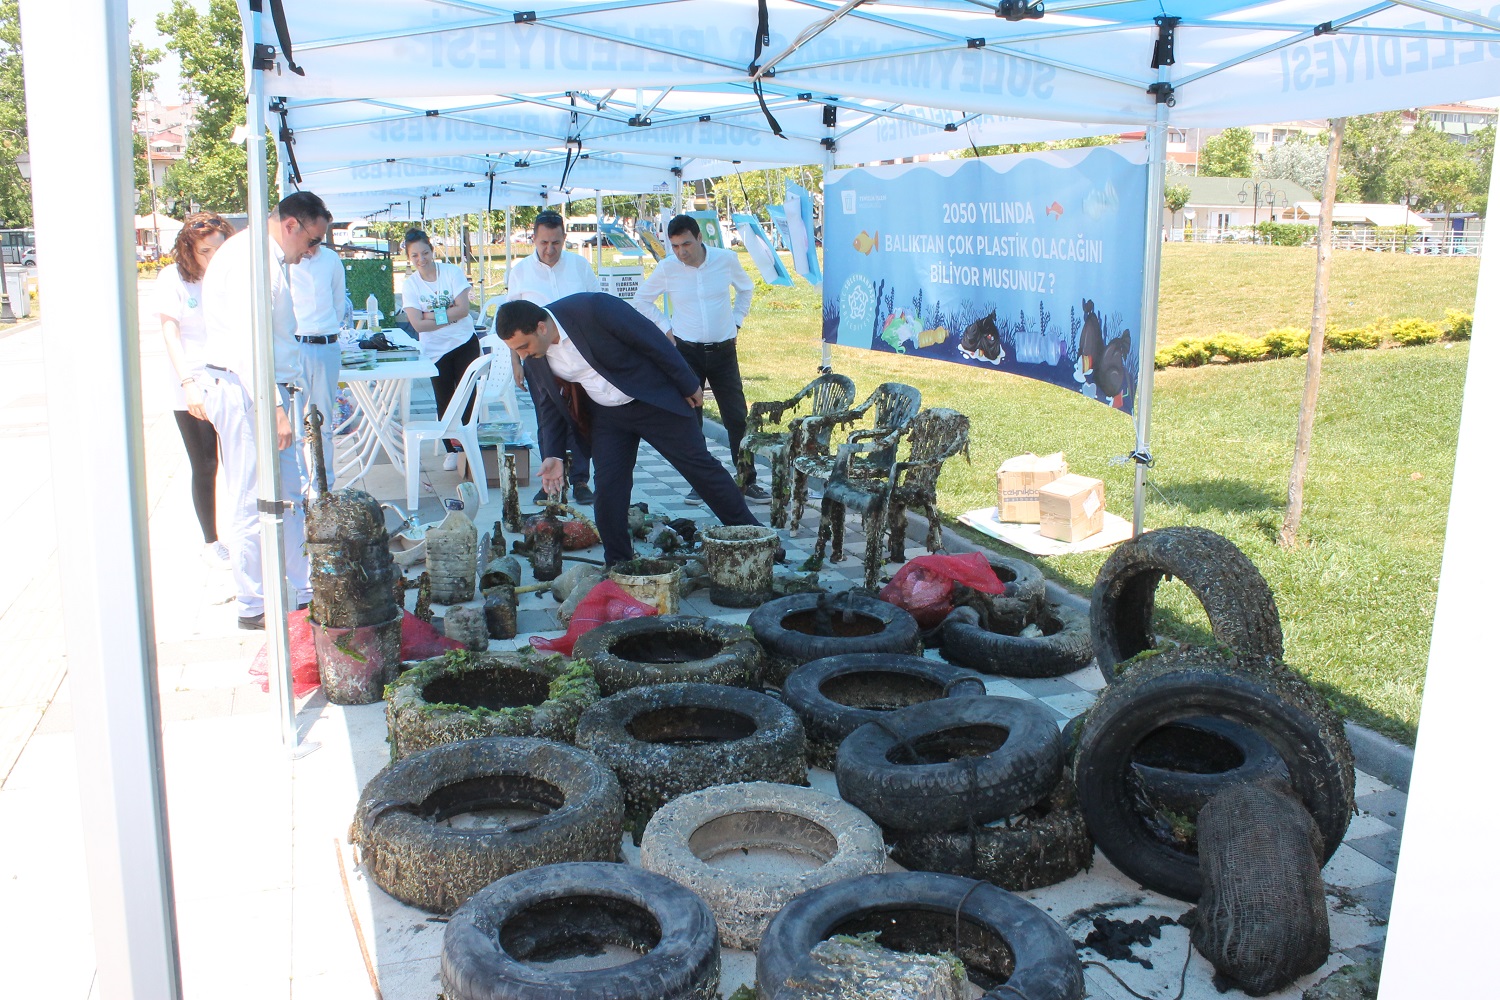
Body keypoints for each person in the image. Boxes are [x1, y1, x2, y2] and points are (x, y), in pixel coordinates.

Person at [494, 294, 762, 566]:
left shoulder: (592, 309)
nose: (522, 356)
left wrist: (688, 383)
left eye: (524, 347)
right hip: (607, 416)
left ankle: (757, 539)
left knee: (700, 468)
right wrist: (553, 454)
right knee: (609, 488)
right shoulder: (535, 356)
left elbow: (651, 340)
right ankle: (619, 564)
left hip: (651, 399)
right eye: (516, 351)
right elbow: (549, 403)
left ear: (541, 326)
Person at [199, 191, 329, 630]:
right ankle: (252, 602)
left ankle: (304, 587)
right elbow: (247, 344)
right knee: (253, 496)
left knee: (289, 493)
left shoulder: (267, 258)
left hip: (267, 389)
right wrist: (273, 406)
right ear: (291, 224)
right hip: (247, 389)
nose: (311, 252)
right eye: (312, 241)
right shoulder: (251, 261)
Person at [632, 214, 767, 507]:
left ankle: (747, 479)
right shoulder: (668, 268)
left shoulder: (725, 259)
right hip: (686, 351)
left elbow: (746, 288)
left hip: (723, 351)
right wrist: (665, 329)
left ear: (700, 238)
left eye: (687, 244)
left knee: (736, 417)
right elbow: (641, 300)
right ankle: (701, 481)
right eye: (676, 245)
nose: (682, 251)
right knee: (691, 418)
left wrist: (737, 322)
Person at [157, 211, 236, 570]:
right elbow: (171, 334)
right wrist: (188, 383)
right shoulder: (172, 279)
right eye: (205, 251)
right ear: (189, 250)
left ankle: (243, 535)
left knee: (240, 461)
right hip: (191, 382)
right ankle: (211, 541)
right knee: (205, 464)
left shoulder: (228, 277)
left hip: (230, 378)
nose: (212, 257)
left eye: (219, 249)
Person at [504, 210, 597, 504]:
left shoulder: (580, 267)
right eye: (544, 242)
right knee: (547, 417)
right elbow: (510, 324)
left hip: (576, 353)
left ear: (564, 239)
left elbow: (596, 308)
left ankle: (580, 479)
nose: (550, 249)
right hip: (536, 356)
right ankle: (550, 482)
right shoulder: (520, 272)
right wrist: (515, 362)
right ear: (533, 238)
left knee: (580, 415)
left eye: (556, 242)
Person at [400, 228, 479, 472]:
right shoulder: (410, 285)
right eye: (415, 256)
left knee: (468, 396)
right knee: (443, 400)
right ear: (409, 258)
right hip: (435, 350)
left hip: (464, 341)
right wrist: (447, 314)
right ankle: (452, 450)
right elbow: (416, 324)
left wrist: (431, 315)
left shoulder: (452, 272)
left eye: (425, 253)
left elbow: (464, 309)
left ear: (432, 251)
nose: (421, 259)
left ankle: (470, 446)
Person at [290, 237, 347, 470]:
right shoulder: (287, 261)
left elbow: (338, 301)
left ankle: (326, 485)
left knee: (324, 421)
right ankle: (299, 487)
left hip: (326, 343)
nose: (310, 247)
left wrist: (328, 326)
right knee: (294, 423)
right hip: (296, 343)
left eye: (316, 241)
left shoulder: (331, 259)